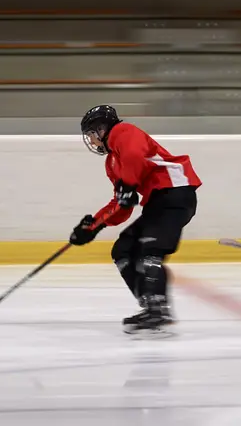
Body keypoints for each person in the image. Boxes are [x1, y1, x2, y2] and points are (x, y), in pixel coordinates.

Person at [68, 105, 202, 334]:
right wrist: (93, 226)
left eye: (92, 133)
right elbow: (122, 204)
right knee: (123, 249)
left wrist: (128, 186)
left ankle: (158, 307)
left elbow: (134, 156)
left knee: (150, 247)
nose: (91, 140)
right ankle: (150, 304)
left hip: (176, 192)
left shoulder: (123, 131)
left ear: (102, 128)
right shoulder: (111, 163)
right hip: (159, 202)